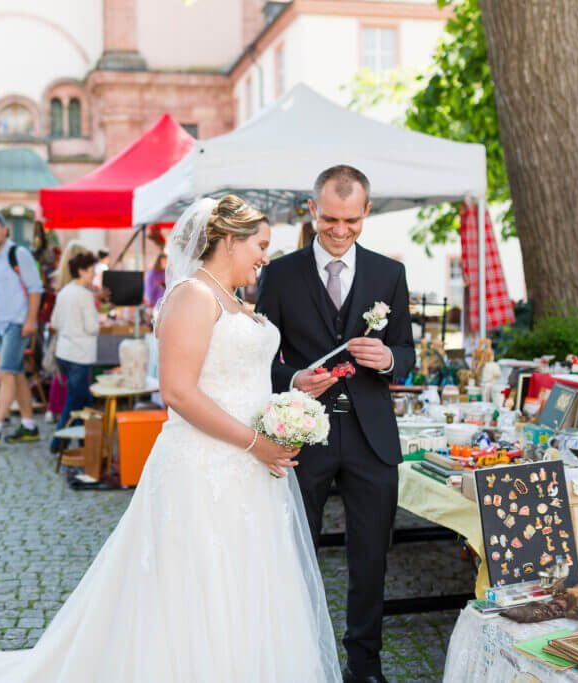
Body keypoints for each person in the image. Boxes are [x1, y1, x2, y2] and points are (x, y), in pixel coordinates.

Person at [0, 195, 340, 682]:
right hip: (206, 466)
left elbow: (238, 376)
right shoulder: (193, 296)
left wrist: (291, 388)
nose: (265, 257)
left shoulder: (234, 300)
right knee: (196, 584)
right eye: (259, 245)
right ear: (228, 241)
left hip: (250, 469)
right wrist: (254, 441)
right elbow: (178, 392)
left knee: (245, 581)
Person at [256, 165, 415, 683]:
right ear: (312, 210)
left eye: (351, 220)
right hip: (303, 436)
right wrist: (292, 378)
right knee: (294, 555)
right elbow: (258, 358)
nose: (340, 230)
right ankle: (298, 661)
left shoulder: (389, 274)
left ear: (366, 211)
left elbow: (407, 352)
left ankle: (364, 667)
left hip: (372, 440)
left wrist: (388, 359)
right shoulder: (280, 274)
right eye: (329, 219)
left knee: (370, 561)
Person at [0, 214, 43, 443]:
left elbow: (35, 288)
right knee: (16, 376)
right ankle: (29, 425)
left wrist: (30, 320)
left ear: (5, 230)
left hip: (17, 323)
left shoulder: (18, 253)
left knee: (5, 372)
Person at [47, 251, 99, 453]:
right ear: (81, 271)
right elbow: (91, 327)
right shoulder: (85, 295)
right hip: (80, 355)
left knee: (84, 402)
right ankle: (58, 443)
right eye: (91, 271)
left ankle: (86, 444)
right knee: (75, 402)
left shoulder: (64, 292)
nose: (94, 274)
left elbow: (54, 322)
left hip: (64, 352)